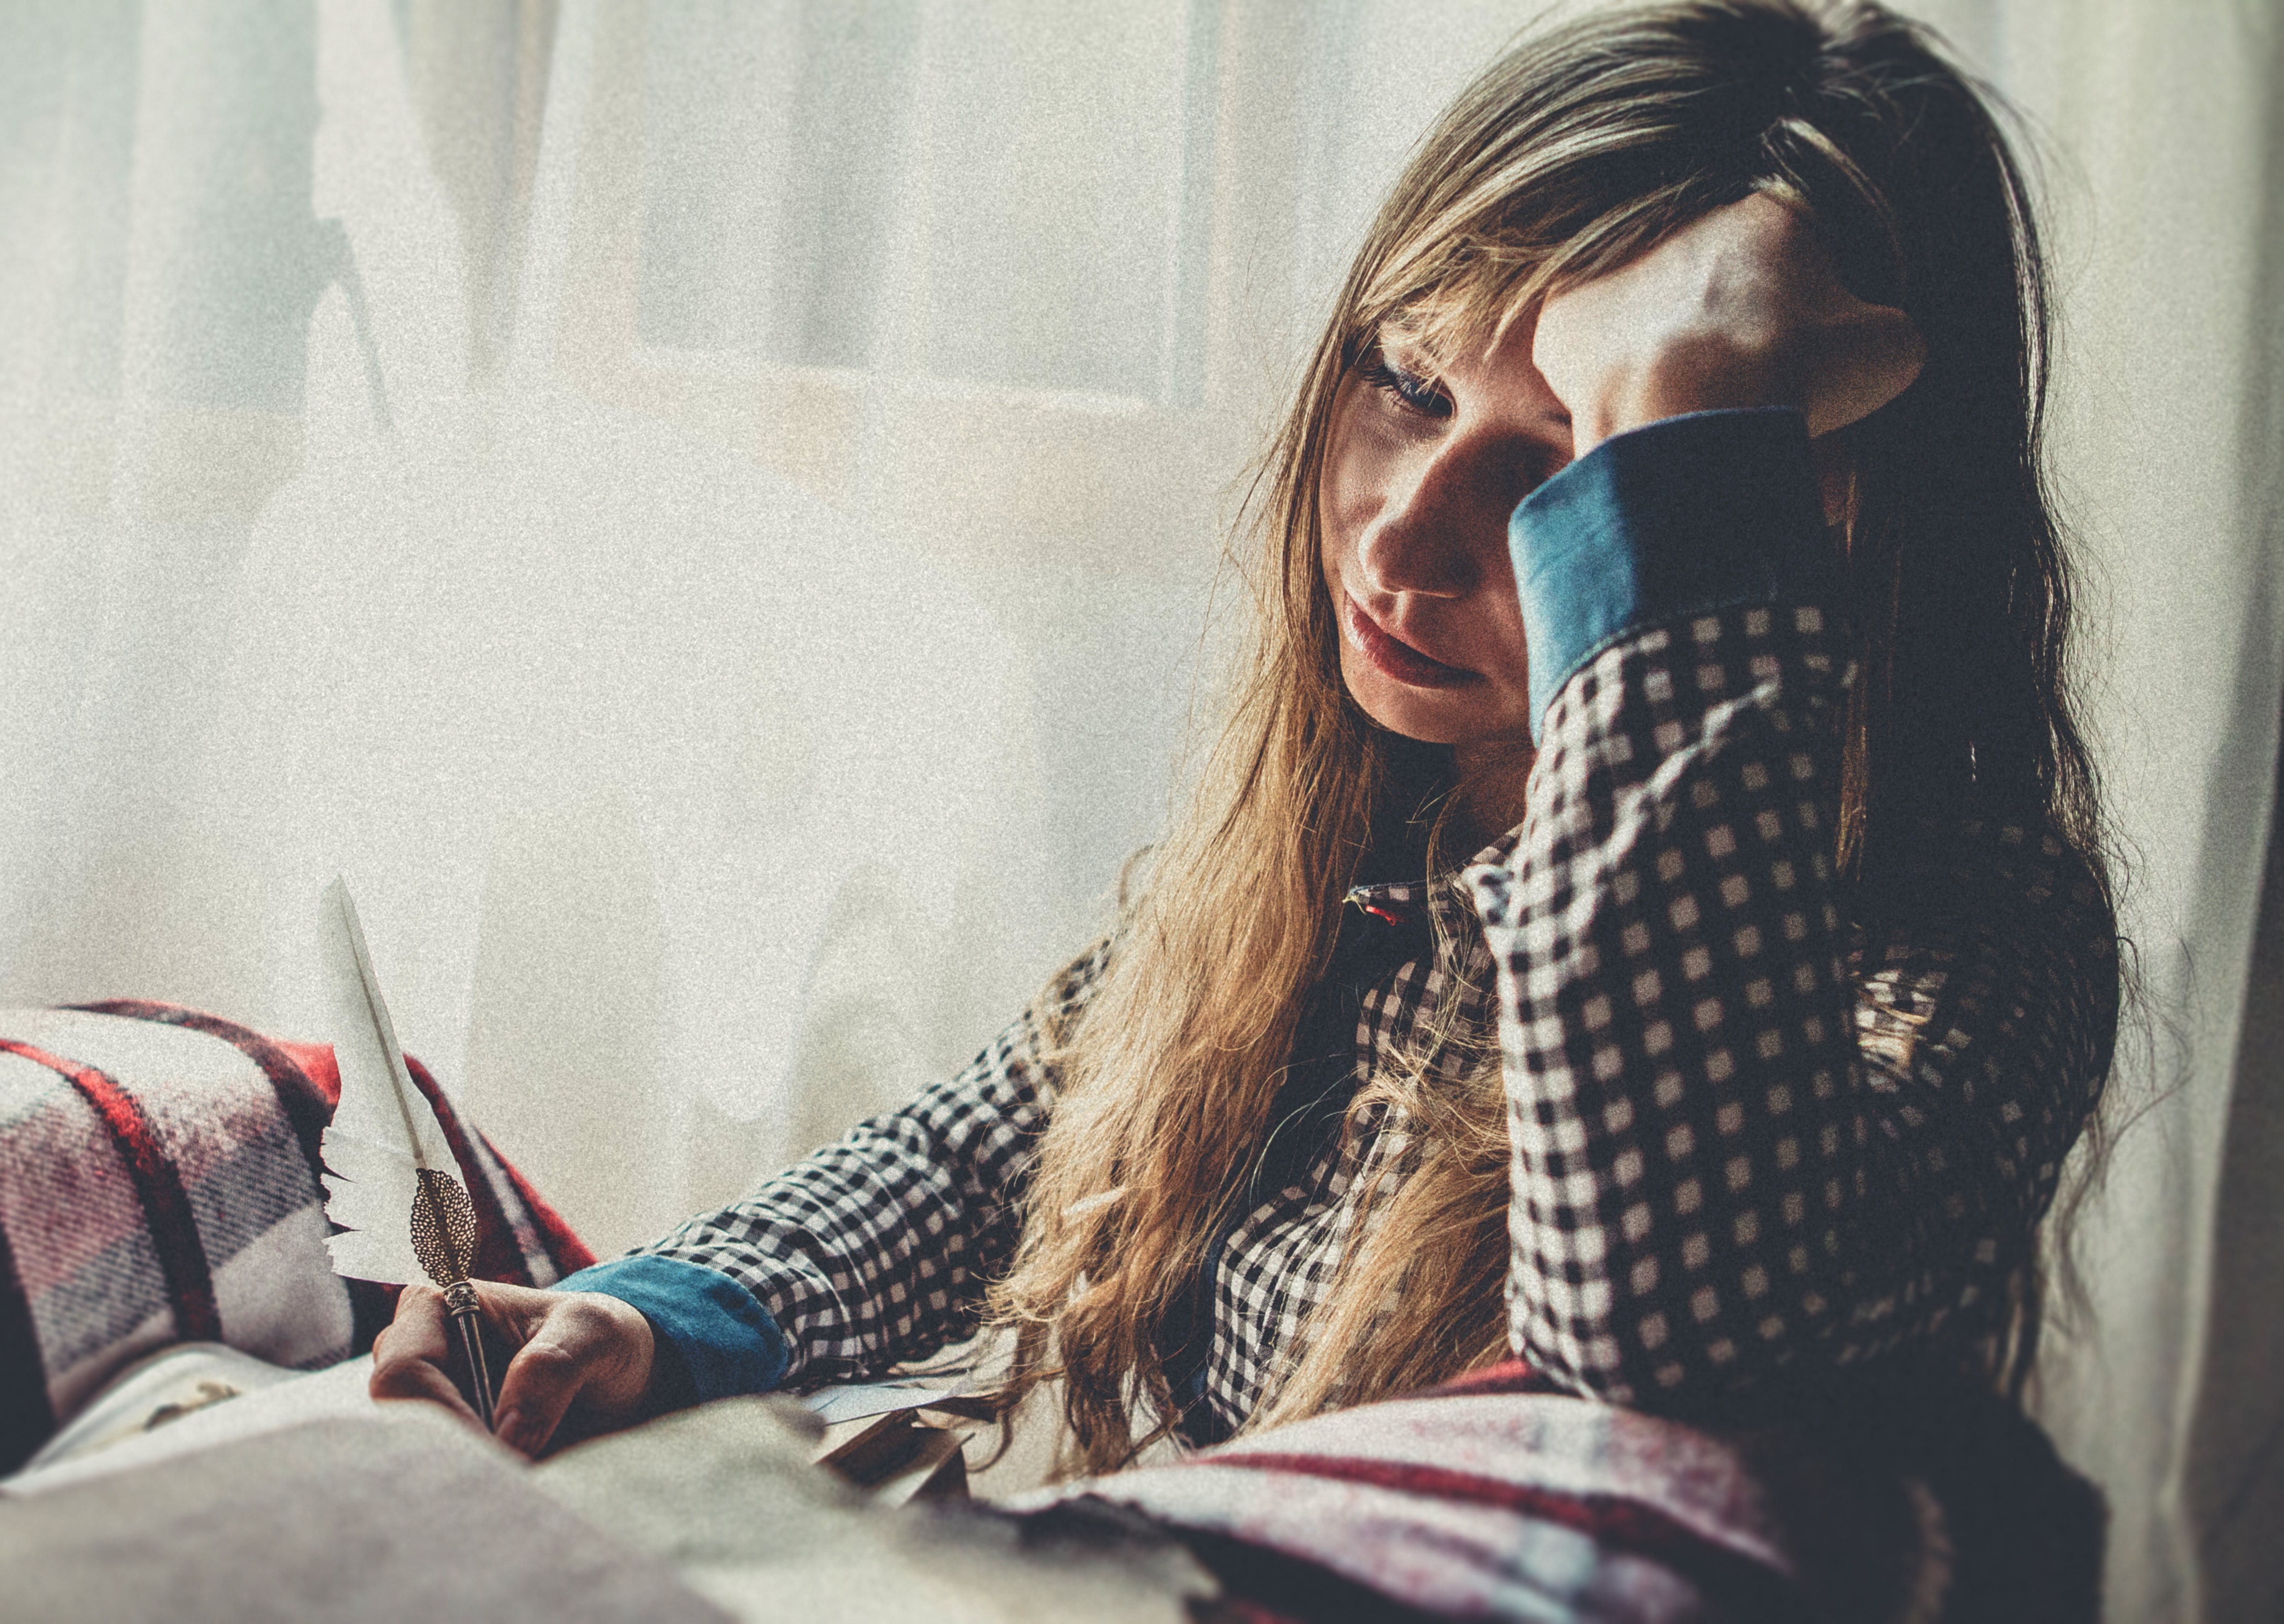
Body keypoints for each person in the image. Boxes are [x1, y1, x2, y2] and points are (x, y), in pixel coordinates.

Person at [373, 0, 2118, 1478]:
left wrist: (1685, 440)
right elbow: (1008, 1139)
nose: (1403, 540)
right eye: (1410, 385)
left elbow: (1666, 1346)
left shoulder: (1974, 933)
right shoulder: (1373, 831)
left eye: (1573, 467)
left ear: (1812, 525)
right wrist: (662, 1316)